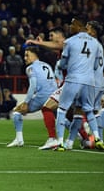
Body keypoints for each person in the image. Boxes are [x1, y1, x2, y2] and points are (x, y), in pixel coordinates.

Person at [55, 18, 104, 151]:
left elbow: (63, 64)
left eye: (72, 24)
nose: (70, 26)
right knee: (87, 110)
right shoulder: (96, 44)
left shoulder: (70, 41)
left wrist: (61, 65)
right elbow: (95, 66)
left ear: (79, 26)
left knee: (61, 109)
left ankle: (59, 142)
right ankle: (98, 138)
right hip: (90, 82)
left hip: (74, 80)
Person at [6, 47, 57, 147]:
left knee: (17, 111)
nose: (25, 58)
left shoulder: (30, 68)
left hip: (42, 96)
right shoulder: (46, 65)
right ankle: (82, 137)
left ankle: (19, 140)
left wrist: (26, 102)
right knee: (62, 117)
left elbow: (33, 86)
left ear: (34, 55)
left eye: (27, 55)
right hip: (54, 95)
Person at [25, 27, 66, 150]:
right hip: (83, 81)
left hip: (73, 82)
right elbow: (54, 46)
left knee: (47, 107)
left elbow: (58, 45)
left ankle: (53, 139)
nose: (50, 38)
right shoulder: (62, 52)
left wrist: (38, 43)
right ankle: (88, 138)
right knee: (73, 112)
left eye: (52, 35)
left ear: (60, 35)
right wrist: (41, 44)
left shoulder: (67, 44)